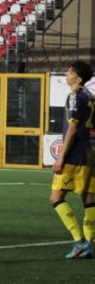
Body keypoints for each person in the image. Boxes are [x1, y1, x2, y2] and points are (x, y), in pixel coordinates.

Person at [49, 61, 95, 259]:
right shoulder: (91, 97)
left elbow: (73, 128)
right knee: (89, 199)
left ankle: (80, 241)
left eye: (69, 72)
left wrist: (61, 157)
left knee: (56, 198)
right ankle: (90, 243)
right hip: (91, 153)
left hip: (75, 154)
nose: (66, 74)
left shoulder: (75, 96)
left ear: (78, 78)